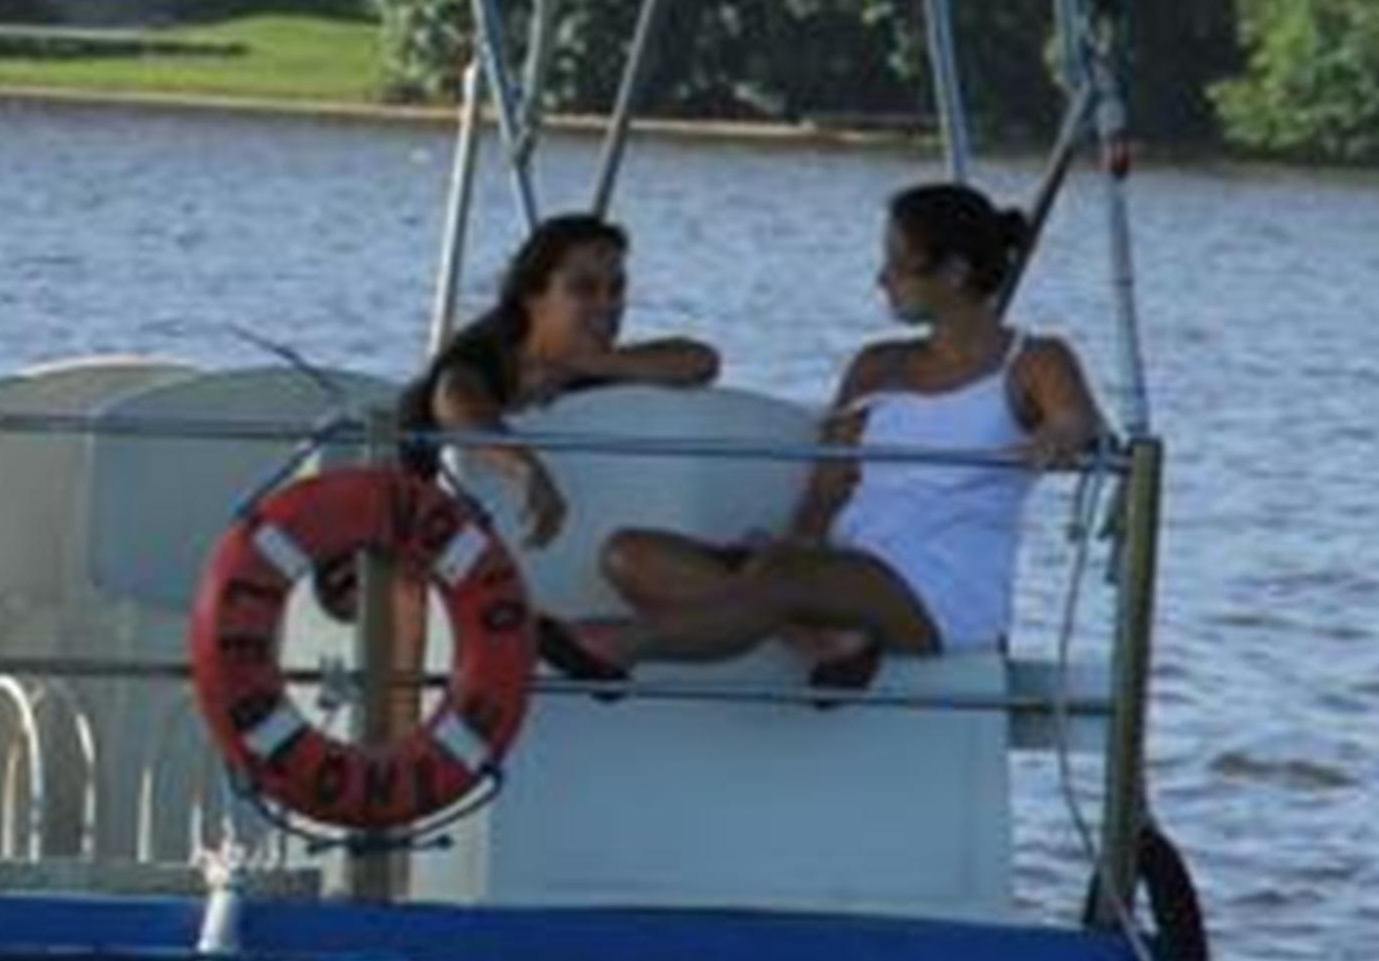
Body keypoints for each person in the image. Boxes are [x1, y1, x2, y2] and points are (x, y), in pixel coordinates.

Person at [557, 184, 1104, 695]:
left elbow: (1076, 421)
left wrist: (1059, 436)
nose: (881, 278)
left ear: (955, 272)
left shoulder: (1033, 359)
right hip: (838, 566)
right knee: (630, 555)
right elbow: (827, 486)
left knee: (780, 576)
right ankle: (824, 641)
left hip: (939, 588)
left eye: (897, 263)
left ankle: (614, 646)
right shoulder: (876, 364)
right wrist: (796, 544)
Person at [398, 212, 722, 550]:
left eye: (616, 289)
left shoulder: (592, 371)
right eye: (584, 289)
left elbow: (701, 362)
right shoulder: (479, 358)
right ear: (532, 297)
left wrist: (587, 363)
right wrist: (525, 468)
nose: (607, 304)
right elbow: (455, 402)